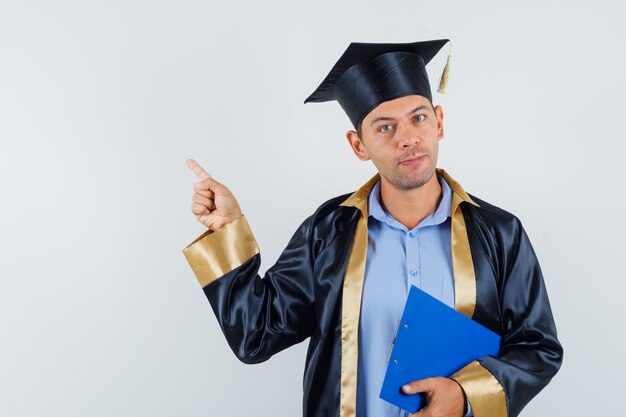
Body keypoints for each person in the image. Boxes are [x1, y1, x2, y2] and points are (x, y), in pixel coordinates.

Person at [182, 39, 563, 417]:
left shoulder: (499, 234)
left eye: (419, 118)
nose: (408, 139)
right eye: (384, 127)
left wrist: (466, 395)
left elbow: (537, 348)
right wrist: (228, 232)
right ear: (358, 145)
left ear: (439, 122)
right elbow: (257, 334)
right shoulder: (328, 232)